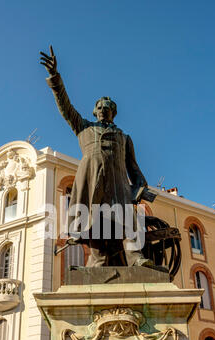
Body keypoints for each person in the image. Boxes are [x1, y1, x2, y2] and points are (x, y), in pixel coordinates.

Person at [40, 46, 152, 267]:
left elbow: (133, 167)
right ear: (94, 111)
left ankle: (135, 257)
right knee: (94, 219)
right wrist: (55, 78)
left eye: (107, 108)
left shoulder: (124, 137)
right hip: (91, 179)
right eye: (99, 107)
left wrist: (140, 186)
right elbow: (65, 107)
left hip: (118, 181)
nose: (102, 110)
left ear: (113, 112)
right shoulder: (84, 128)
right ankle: (97, 260)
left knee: (126, 217)